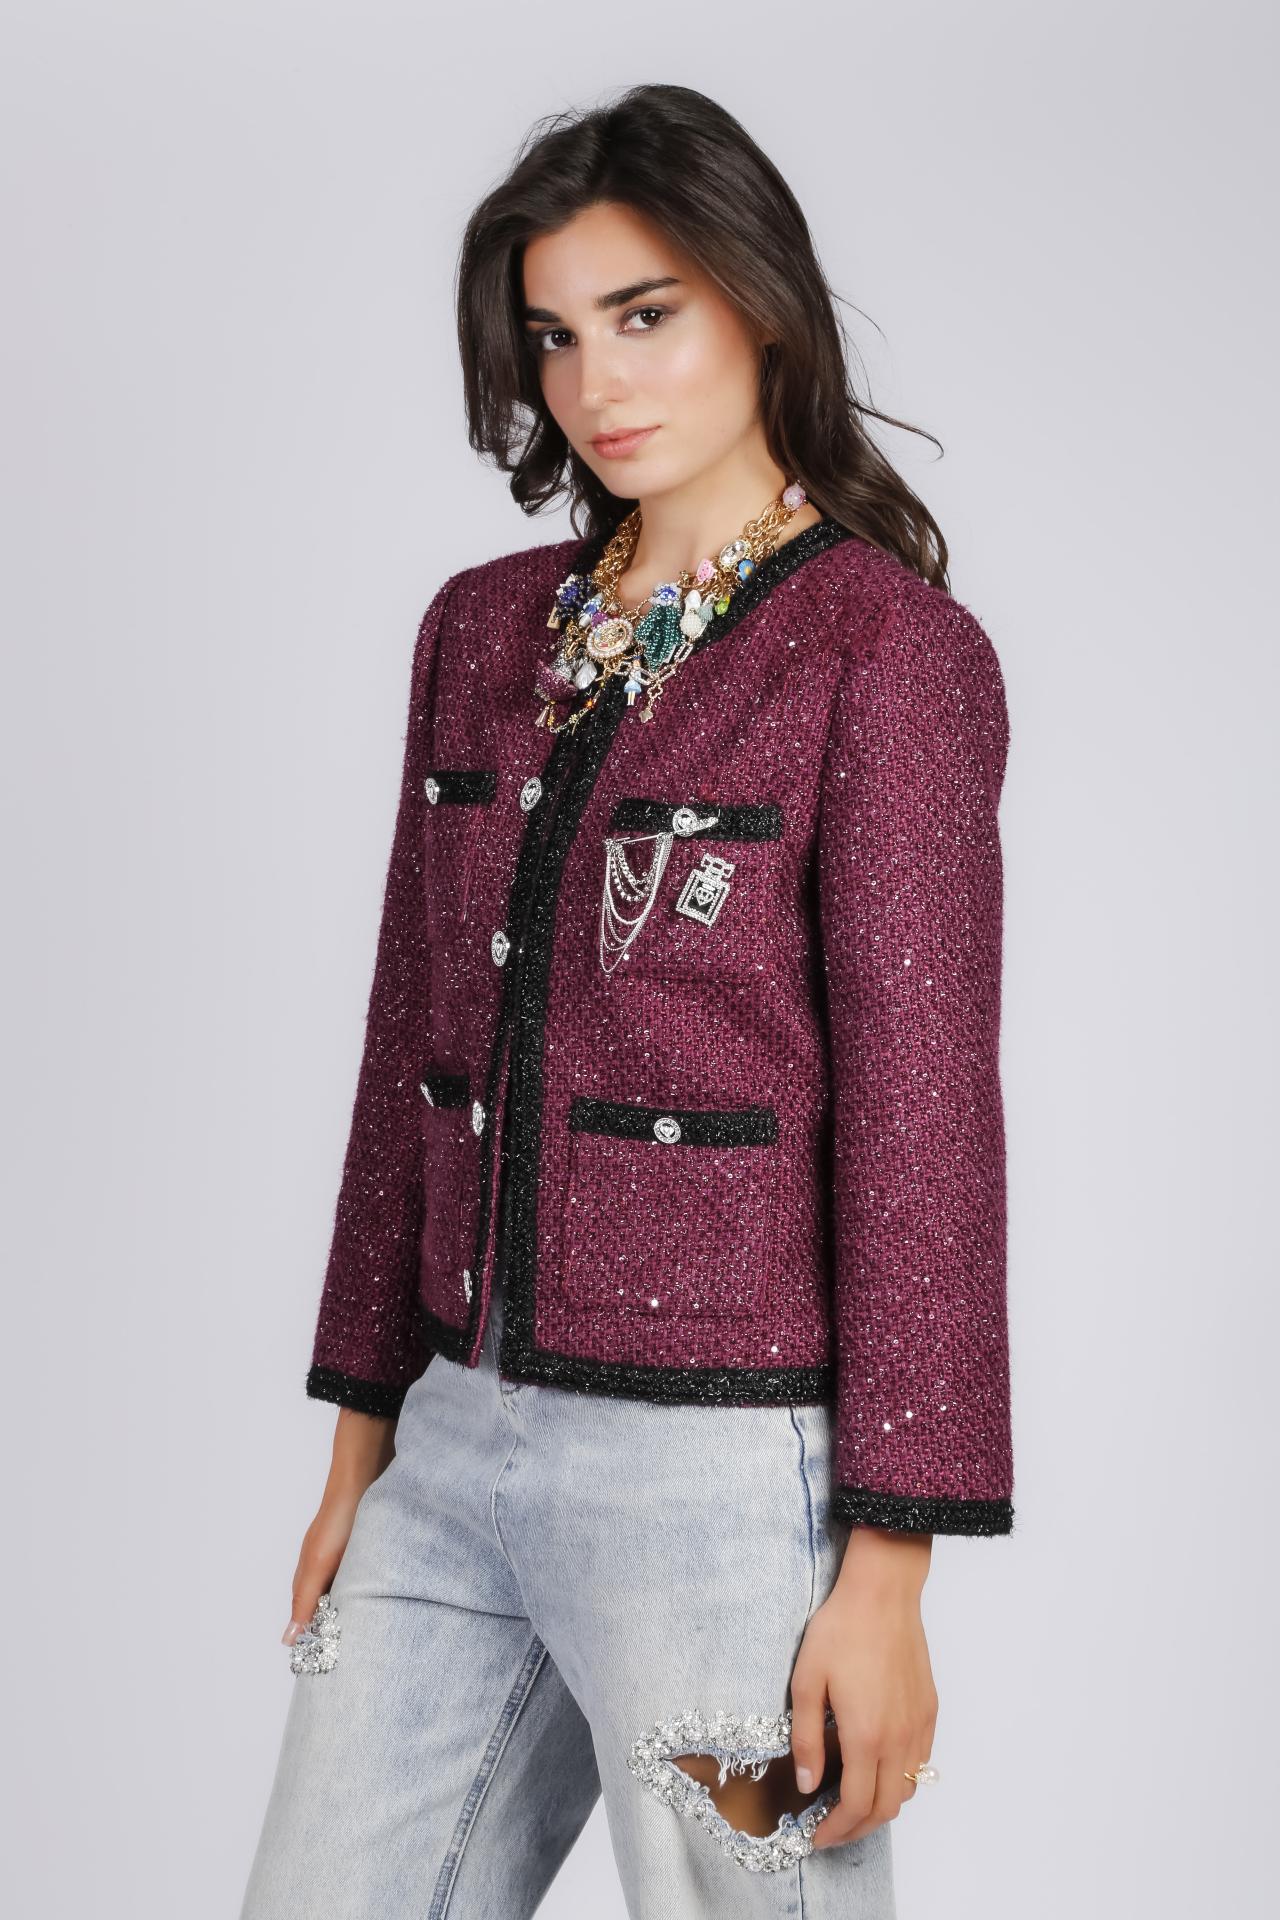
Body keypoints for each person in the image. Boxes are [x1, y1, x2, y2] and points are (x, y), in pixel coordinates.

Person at [239, 81, 1014, 1920]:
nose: (598, 382)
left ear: (761, 301)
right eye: (555, 336)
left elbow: (923, 1120)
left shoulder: (885, 653)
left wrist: (890, 1569)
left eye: (645, 314)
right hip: (452, 1442)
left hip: (723, 1491)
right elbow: (409, 1048)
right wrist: (363, 1448)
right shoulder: (480, 630)